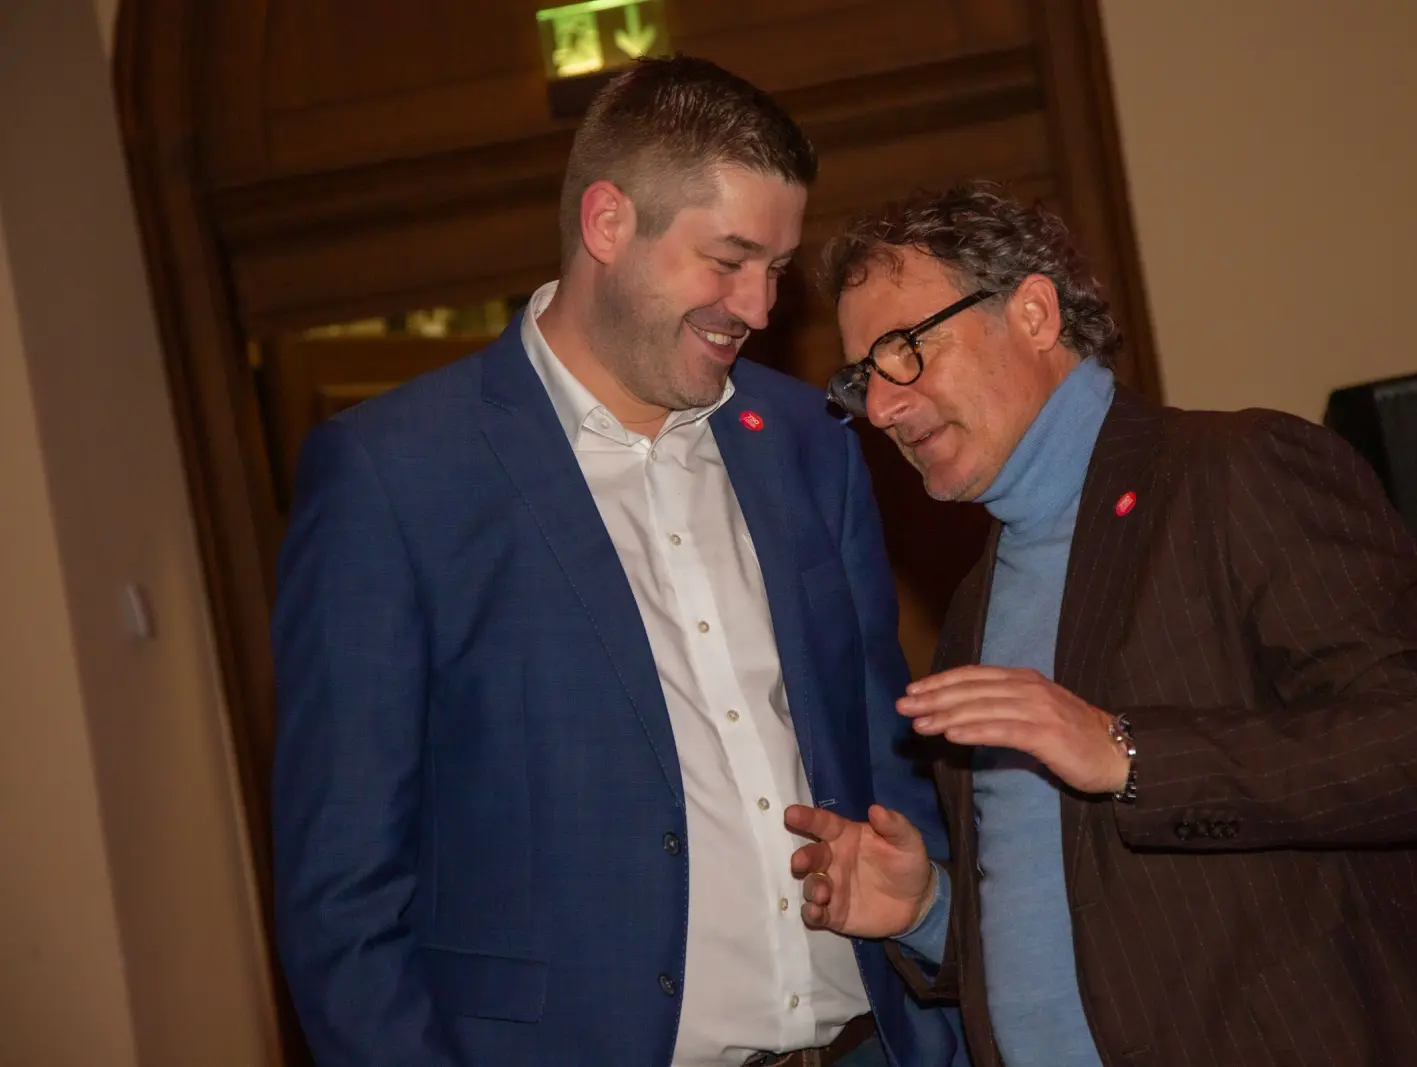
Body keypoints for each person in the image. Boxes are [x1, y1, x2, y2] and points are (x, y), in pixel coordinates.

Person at [271, 56, 965, 1067]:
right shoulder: (395, 476)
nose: (759, 306)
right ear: (607, 222)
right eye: (728, 259)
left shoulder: (806, 443)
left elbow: (883, 757)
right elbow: (343, 898)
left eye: (775, 268)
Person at [785, 181, 1417, 1067]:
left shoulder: (1234, 472)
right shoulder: (974, 608)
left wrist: (1128, 754)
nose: (881, 406)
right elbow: (1097, 928)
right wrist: (929, 910)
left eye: (905, 350)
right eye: (862, 377)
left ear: (1033, 313)